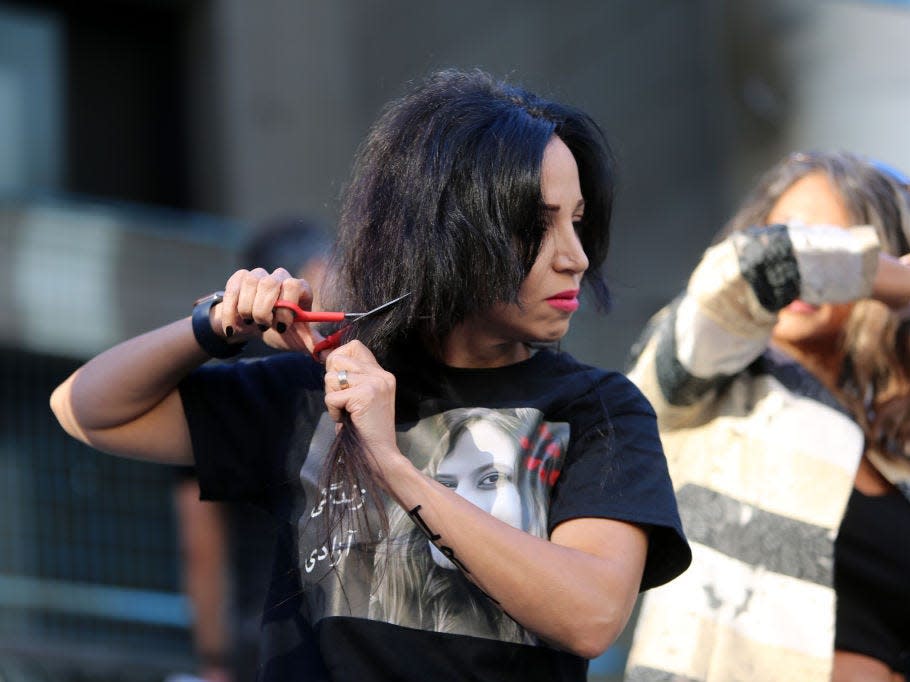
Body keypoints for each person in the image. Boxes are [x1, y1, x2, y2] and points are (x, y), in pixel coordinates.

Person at [50, 68, 691, 681]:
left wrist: (392, 465)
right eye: (539, 224)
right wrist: (216, 324)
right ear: (450, 230)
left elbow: (591, 615)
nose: (575, 257)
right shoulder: (321, 391)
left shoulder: (596, 409)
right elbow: (85, 409)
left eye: (577, 221)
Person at [623, 150, 910, 682]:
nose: (804, 261)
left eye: (830, 238)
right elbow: (753, 267)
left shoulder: (897, 432)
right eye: (791, 234)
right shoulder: (707, 375)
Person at [171, 217, 332, 682]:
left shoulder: (226, 372)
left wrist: (213, 658)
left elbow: (197, 539)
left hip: (261, 630)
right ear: (316, 269)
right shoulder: (330, 368)